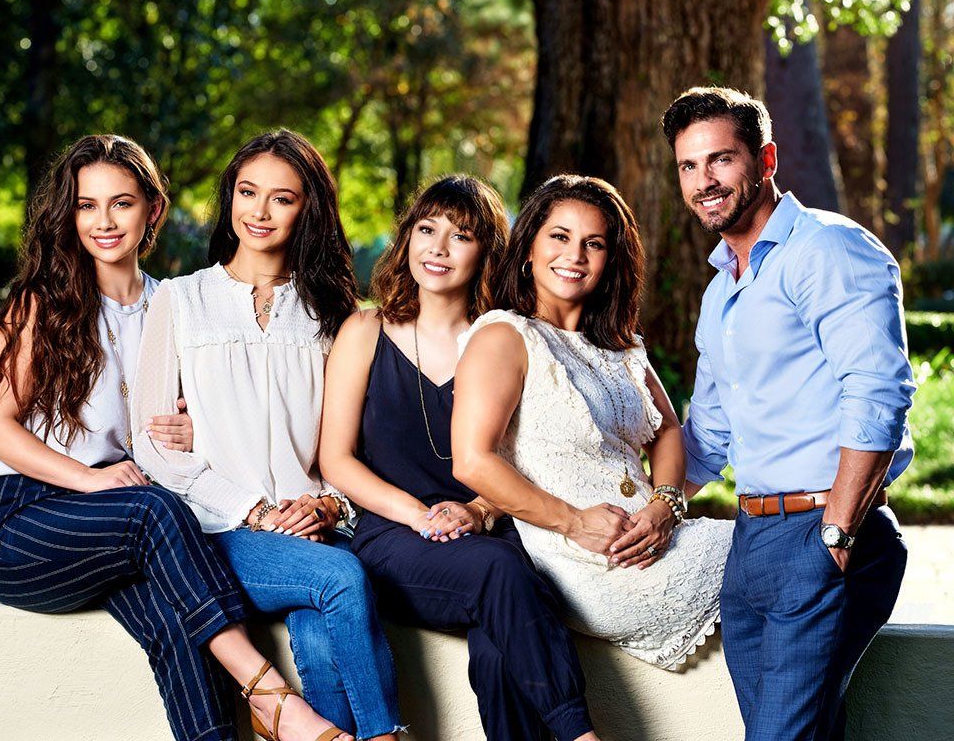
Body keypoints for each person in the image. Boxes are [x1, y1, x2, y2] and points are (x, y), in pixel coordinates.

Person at [0, 134, 346, 741]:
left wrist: (202, 425)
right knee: (156, 513)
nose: (103, 221)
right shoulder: (41, 304)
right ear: (68, 215)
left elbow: (192, 424)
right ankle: (275, 701)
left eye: (121, 203)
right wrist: (91, 480)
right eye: (86, 205)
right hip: (27, 521)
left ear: (154, 208)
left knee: (178, 622)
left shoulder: (174, 306)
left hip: (126, 523)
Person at [131, 130, 402, 741]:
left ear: (308, 209)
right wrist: (251, 509)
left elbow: (347, 446)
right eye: (248, 193)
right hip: (216, 533)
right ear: (229, 199)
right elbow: (150, 445)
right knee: (339, 581)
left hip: (312, 531)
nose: (259, 211)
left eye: (282, 198)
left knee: (316, 629)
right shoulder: (179, 300)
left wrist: (329, 505)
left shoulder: (333, 313)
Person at [662, 86, 913, 741]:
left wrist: (835, 536)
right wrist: (654, 511)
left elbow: (878, 391)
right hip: (752, 546)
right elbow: (710, 431)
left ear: (766, 159)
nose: (704, 181)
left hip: (823, 532)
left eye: (721, 160)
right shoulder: (722, 290)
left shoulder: (826, 250)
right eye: (689, 166)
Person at [320, 175, 600, 741]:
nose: (438, 248)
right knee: (502, 572)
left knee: (499, 652)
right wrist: (418, 516)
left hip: (489, 531)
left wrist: (479, 510)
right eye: (427, 229)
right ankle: (580, 735)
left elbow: (529, 454)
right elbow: (337, 460)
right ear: (407, 239)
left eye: (461, 235)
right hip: (392, 537)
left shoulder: (504, 339)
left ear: (488, 252)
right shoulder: (364, 329)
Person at [451, 174, 733, 671]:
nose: (574, 255)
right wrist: (575, 522)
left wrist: (665, 506)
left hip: (657, 536)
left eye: (593, 243)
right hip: (585, 563)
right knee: (781, 548)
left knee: (788, 551)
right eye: (559, 236)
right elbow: (472, 461)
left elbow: (667, 431)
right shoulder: (503, 336)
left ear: (610, 261)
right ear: (529, 249)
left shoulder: (621, 346)